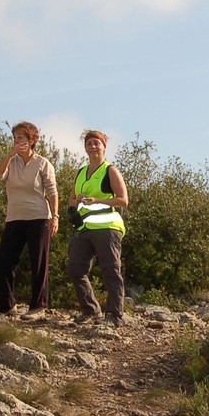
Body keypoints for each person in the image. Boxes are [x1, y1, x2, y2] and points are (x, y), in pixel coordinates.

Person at [0, 121, 59, 318]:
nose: (17, 141)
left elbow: (52, 192)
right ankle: (7, 305)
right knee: (4, 261)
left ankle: (38, 306)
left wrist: (55, 216)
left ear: (31, 141)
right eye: (15, 138)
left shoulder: (43, 163)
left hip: (39, 217)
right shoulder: (11, 162)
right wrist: (9, 155)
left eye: (21, 137)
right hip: (14, 217)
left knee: (38, 262)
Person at [67, 130, 130, 326]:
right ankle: (90, 310)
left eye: (96, 143)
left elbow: (123, 200)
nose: (93, 146)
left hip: (108, 227)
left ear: (104, 146)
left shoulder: (110, 170)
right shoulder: (80, 173)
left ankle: (114, 315)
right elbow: (71, 200)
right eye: (89, 143)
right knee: (75, 268)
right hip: (84, 228)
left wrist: (97, 200)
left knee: (110, 270)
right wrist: (77, 201)